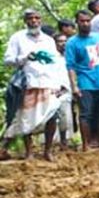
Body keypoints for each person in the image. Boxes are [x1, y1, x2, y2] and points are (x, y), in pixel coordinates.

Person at [0, 9, 68, 161]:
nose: (34, 21)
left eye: (37, 18)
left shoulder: (48, 40)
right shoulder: (17, 38)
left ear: (41, 20)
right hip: (29, 83)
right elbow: (8, 60)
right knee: (27, 117)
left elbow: (55, 62)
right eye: (31, 18)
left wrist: (60, 83)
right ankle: (29, 152)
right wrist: (25, 57)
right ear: (25, 21)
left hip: (48, 82)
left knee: (52, 115)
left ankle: (48, 151)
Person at [65, 9, 99, 151]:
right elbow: (70, 66)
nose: (85, 24)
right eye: (82, 21)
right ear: (77, 23)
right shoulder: (72, 43)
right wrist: (74, 86)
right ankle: (86, 144)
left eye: (88, 21)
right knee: (86, 113)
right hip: (85, 82)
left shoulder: (97, 38)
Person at [53, 33, 75, 148]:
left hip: (66, 91)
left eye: (65, 41)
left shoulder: (69, 56)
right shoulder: (52, 57)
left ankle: (64, 141)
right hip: (53, 91)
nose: (63, 44)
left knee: (65, 118)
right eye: (60, 41)